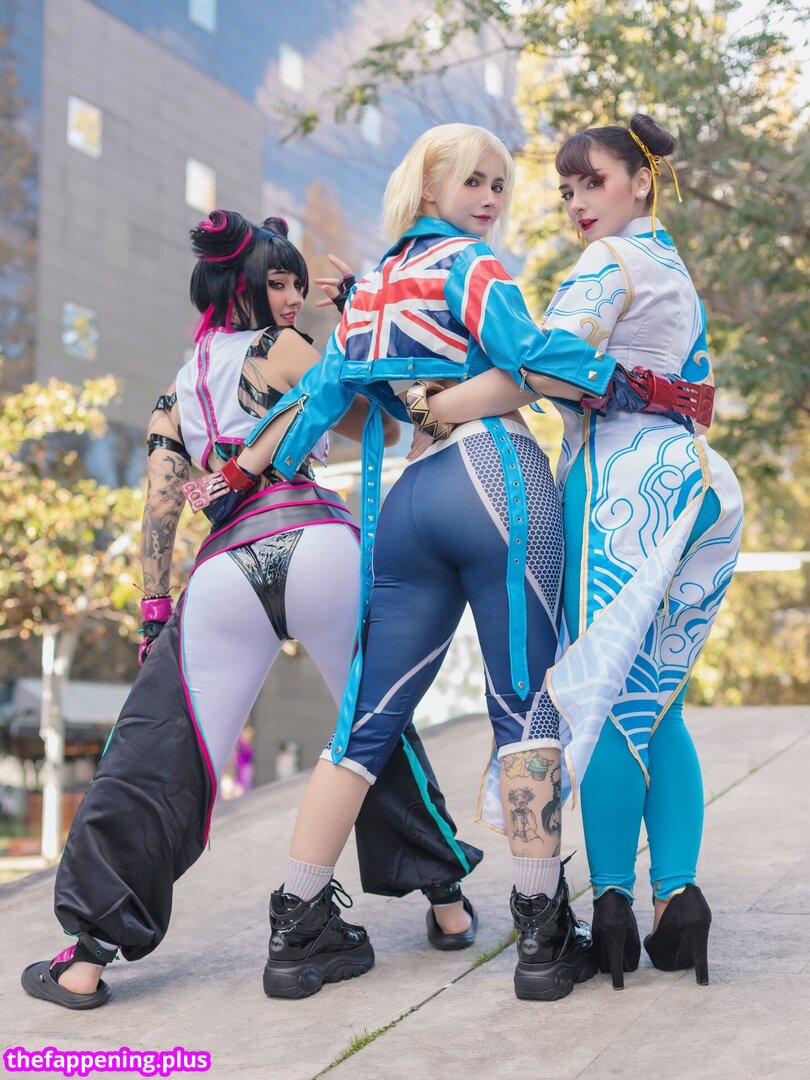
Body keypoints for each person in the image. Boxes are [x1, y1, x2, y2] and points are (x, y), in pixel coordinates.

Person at [20, 212, 482, 1011]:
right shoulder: (285, 348)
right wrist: (355, 322)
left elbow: (162, 504)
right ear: (239, 284)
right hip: (317, 543)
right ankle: (447, 904)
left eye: (298, 283)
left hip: (226, 568)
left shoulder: (177, 386)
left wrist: (154, 612)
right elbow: (378, 421)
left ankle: (87, 956)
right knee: (371, 728)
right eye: (278, 281)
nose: (293, 296)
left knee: (157, 753)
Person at [235, 123, 632, 1002]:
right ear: (427, 187)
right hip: (495, 478)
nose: (490, 197)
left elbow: (319, 398)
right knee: (525, 709)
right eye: (474, 180)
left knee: (361, 725)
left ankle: (296, 929)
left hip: (406, 501)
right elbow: (528, 358)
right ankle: (542, 937)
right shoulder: (471, 265)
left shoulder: (372, 289)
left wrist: (244, 472)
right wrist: (612, 379)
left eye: (499, 184)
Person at [423, 114, 744, 988]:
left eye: (590, 182)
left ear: (640, 180)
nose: (575, 202)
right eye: (565, 190)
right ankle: (677, 900)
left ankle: (610, 906)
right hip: (695, 485)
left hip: (620, 496)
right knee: (657, 703)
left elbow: (542, 365)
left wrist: (434, 406)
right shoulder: (668, 261)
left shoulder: (609, 261)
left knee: (596, 700)